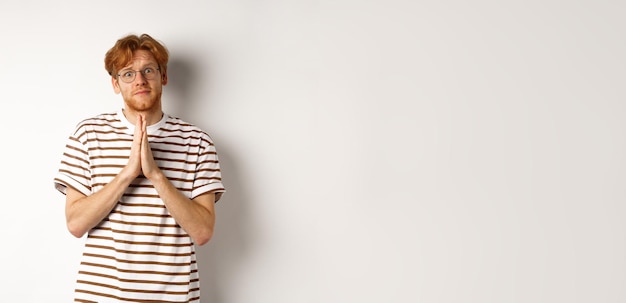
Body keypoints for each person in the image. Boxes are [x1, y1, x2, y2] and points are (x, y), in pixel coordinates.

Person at [53, 33, 225, 302]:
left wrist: (155, 175)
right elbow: (75, 224)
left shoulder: (197, 140)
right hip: (101, 297)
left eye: (148, 70)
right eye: (128, 74)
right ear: (115, 83)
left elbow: (203, 232)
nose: (140, 80)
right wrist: (128, 173)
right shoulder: (88, 134)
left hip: (172, 298)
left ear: (163, 76)